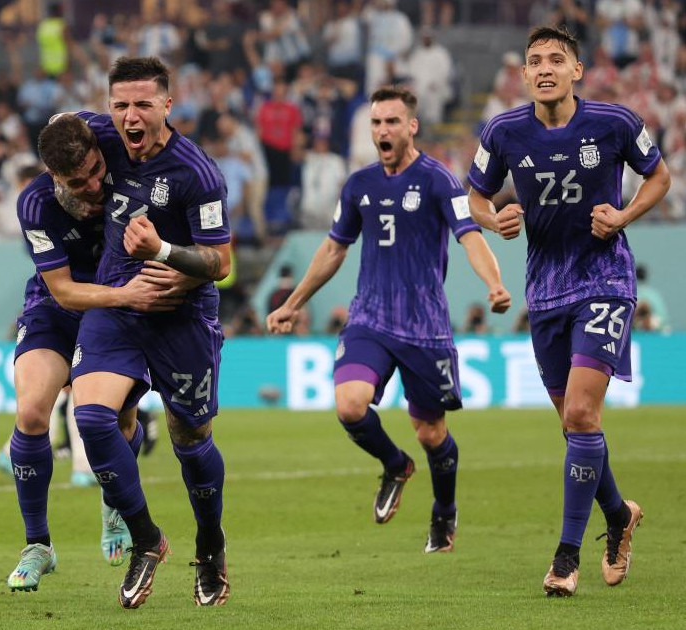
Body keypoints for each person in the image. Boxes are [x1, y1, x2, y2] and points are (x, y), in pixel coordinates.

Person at [466, 26, 670, 597]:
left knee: (581, 413)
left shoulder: (615, 123)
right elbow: (475, 195)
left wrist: (625, 216)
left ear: (577, 70)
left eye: (557, 59)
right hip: (546, 291)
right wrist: (492, 219)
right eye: (535, 61)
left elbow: (659, 177)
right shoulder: (503, 132)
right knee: (572, 424)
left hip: (605, 280)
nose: (545, 68)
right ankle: (619, 516)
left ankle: (565, 557)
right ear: (525, 75)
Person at [267, 85, 512, 556]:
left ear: (412, 126)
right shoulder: (359, 184)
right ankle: (395, 464)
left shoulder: (439, 179)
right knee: (349, 405)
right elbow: (334, 248)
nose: (382, 130)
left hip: (425, 325)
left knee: (431, 433)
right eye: (376, 122)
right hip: (370, 318)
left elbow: (469, 236)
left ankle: (444, 511)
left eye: (392, 122)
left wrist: (494, 284)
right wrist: (294, 301)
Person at [71, 57, 233, 608]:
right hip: (118, 303)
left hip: (181, 313)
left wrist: (161, 251)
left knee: (190, 440)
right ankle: (146, 538)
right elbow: (56, 137)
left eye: (143, 104)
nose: (130, 117)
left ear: (169, 103)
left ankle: (210, 545)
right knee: (91, 416)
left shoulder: (197, 173)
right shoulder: (98, 135)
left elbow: (222, 261)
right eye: (120, 105)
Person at [4, 113, 188, 592]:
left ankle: (114, 504)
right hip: (60, 307)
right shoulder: (35, 205)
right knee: (30, 413)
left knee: (118, 423)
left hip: (114, 314)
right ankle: (38, 545)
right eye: (76, 180)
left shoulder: (113, 151)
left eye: (93, 171)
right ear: (52, 176)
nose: (92, 185)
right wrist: (128, 296)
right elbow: (63, 292)